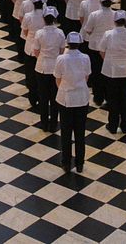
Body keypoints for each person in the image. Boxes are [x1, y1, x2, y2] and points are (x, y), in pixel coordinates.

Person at [53, 32, 91, 173]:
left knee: (66, 132)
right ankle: (80, 163)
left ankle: (66, 163)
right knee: (80, 133)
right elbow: (86, 76)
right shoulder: (85, 58)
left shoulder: (61, 59)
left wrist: (64, 88)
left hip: (66, 99)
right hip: (81, 98)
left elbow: (57, 78)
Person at [99, 10, 126, 134]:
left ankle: (113, 125)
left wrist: (110, 60)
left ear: (114, 21)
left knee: (113, 98)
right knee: (125, 98)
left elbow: (102, 51)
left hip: (111, 71)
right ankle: (125, 125)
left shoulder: (108, 34)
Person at [34, 6, 65, 131]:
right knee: (54, 97)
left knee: (43, 96)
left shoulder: (39, 33)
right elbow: (62, 50)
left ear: (44, 18)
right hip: (55, 68)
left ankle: (44, 123)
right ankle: (53, 124)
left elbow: (36, 51)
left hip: (42, 67)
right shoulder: (60, 33)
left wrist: (42, 57)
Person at [82, 0, 115, 106]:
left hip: (95, 46)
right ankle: (108, 96)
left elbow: (88, 29)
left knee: (96, 72)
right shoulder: (115, 15)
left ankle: (98, 97)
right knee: (107, 72)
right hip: (108, 47)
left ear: (101, 2)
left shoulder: (94, 15)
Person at [22, 0, 47, 108]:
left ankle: (33, 97)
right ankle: (42, 98)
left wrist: (31, 39)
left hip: (30, 48)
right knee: (41, 76)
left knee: (31, 74)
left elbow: (25, 31)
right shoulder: (46, 16)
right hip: (43, 49)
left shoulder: (28, 16)